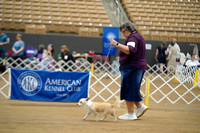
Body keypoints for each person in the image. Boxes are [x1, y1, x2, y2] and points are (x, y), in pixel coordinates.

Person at [110, 22, 148, 120]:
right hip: (136, 66)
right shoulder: (137, 37)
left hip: (132, 66)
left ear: (129, 29)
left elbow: (129, 50)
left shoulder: (133, 37)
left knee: (128, 89)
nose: (123, 33)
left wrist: (117, 44)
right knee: (133, 88)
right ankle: (140, 107)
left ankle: (130, 113)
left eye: (124, 31)